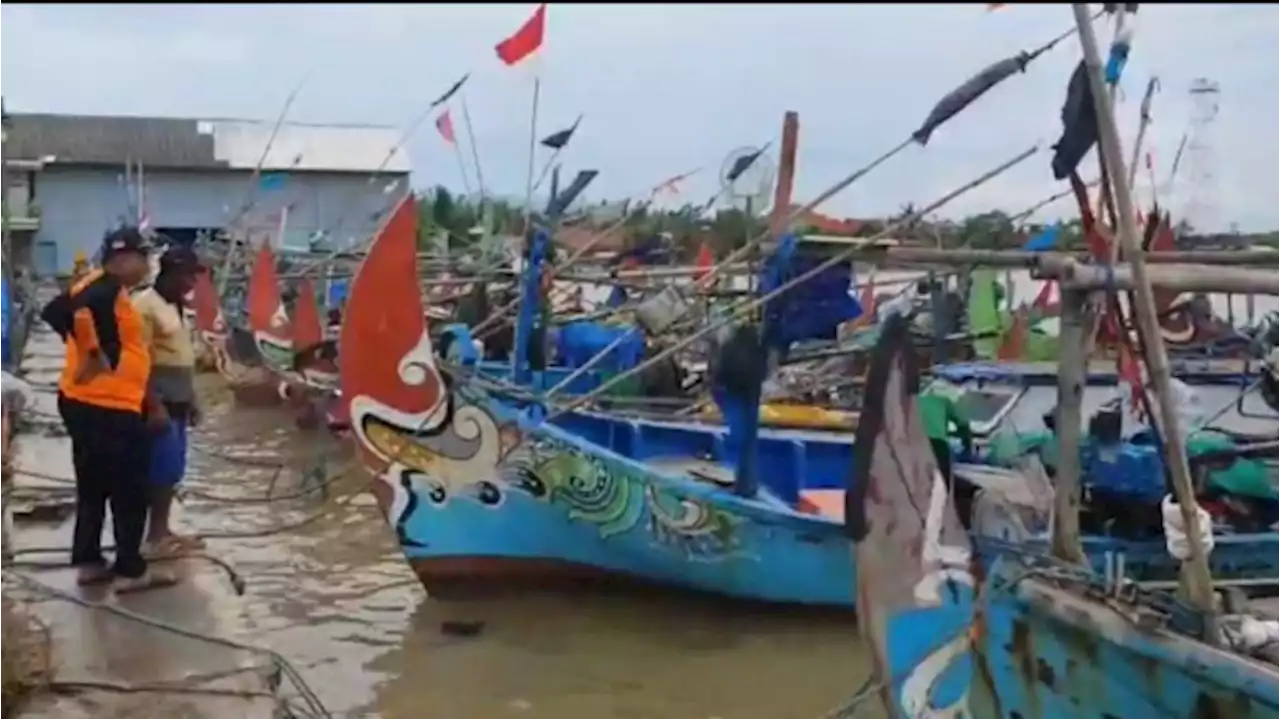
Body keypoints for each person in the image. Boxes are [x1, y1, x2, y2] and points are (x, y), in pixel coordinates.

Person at [39, 227, 175, 593]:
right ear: (124, 259)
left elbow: (52, 312)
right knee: (130, 489)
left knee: (93, 485)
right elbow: (64, 317)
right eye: (143, 257)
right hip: (108, 406)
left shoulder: (93, 286)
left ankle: (88, 560)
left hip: (85, 401)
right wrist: (98, 357)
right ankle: (131, 570)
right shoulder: (104, 292)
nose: (148, 265)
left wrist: (87, 349)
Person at [132, 246, 205, 557]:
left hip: (179, 398)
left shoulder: (177, 307)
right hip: (158, 400)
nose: (192, 282)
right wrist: (153, 404)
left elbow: (184, 355)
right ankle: (153, 536)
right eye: (188, 275)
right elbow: (139, 360)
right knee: (160, 468)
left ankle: (163, 529)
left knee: (174, 468)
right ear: (170, 273)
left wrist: (193, 398)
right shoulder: (145, 306)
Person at [918, 389, 975, 528]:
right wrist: (967, 446)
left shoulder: (914, 400)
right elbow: (962, 425)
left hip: (916, 444)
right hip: (937, 444)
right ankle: (945, 521)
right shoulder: (942, 399)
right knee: (944, 483)